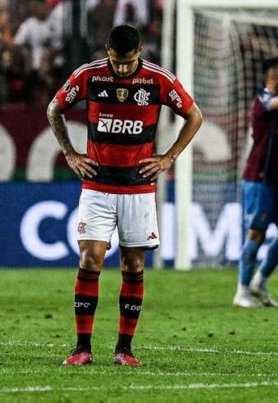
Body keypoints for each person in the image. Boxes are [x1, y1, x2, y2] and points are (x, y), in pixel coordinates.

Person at [47, 25, 202, 367]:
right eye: (115, 61)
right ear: (107, 51)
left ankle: (124, 350)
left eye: (128, 62)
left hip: (139, 188)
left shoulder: (158, 80)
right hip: (97, 186)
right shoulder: (89, 76)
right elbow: (53, 109)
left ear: (140, 52)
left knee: (133, 266)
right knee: (90, 261)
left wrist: (168, 157)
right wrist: (71, 154)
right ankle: (81, 347)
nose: (121, 69)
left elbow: (194, 115)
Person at [233, 57, 278, 309]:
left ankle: (259, 281)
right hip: (259, 175)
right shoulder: (263, 98)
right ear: (272, 74)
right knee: (256, 233)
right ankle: (241, 291)